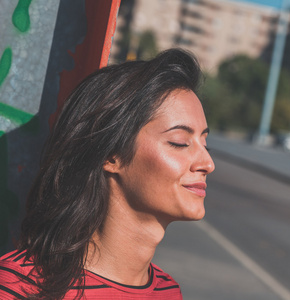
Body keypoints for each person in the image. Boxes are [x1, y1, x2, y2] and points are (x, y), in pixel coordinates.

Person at [0, 48, 215, 299]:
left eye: (205, 143)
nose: (207, 163)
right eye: (180, 142)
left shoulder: (168, 292)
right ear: (110, 155)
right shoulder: (19, 288)